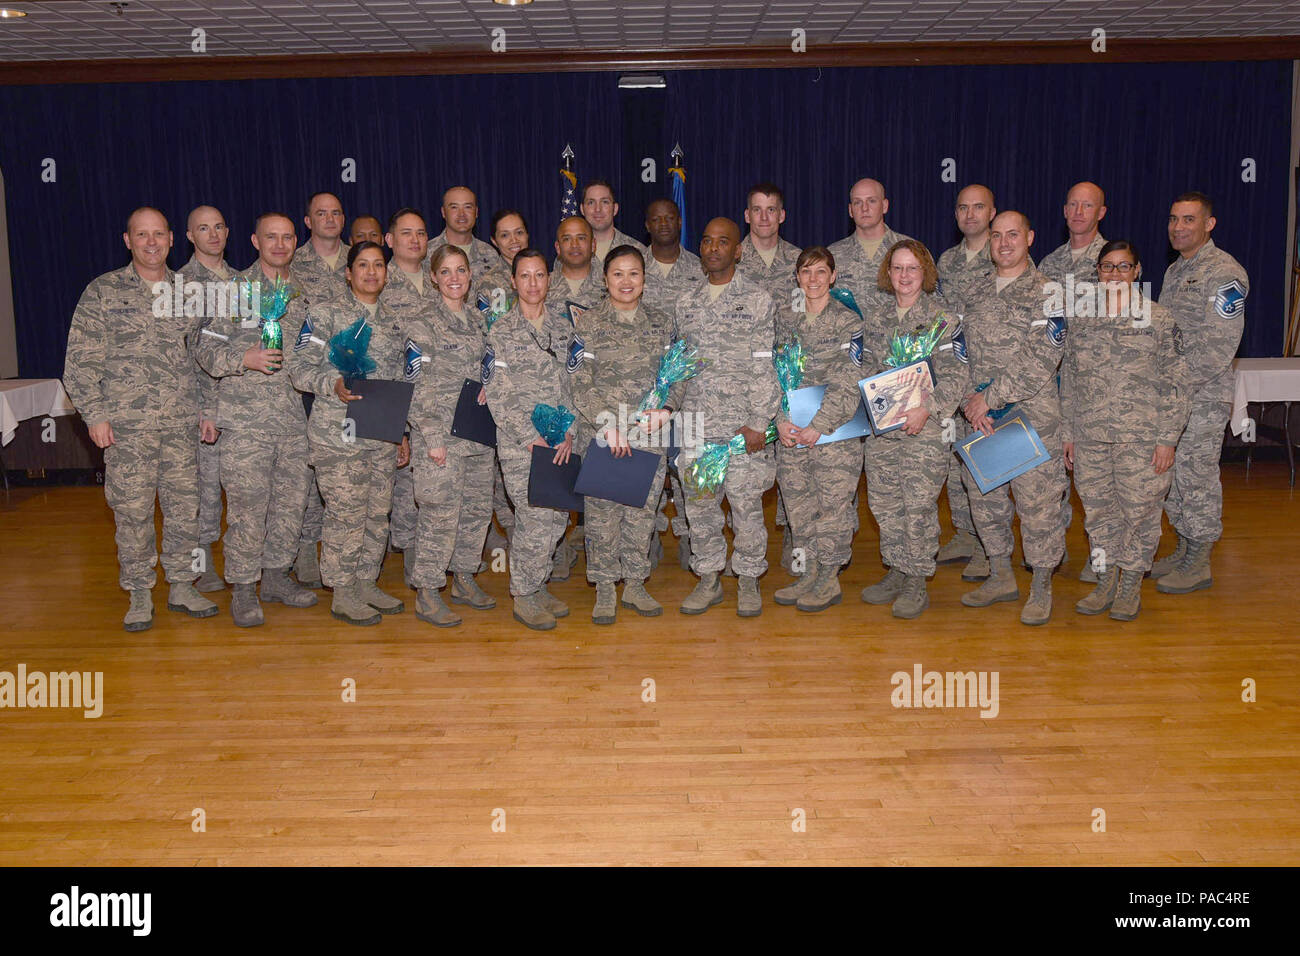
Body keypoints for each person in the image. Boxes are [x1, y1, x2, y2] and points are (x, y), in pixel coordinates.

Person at [62, 207, 217, 630]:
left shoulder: (189, 293)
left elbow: (202, 357)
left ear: (171, 239)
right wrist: (94, 415)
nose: (151, 243)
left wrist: (208, 410)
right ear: (127, 240)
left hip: (182, 425)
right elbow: (79, 363)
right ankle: (139, 591)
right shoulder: (103, 292)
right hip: (127, 430)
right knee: (132, 512)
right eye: (141, 235)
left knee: (185, 509)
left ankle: (183, 585)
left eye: (158, 235)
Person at [193, 212, 317, 626]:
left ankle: (276, 577)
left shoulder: (303, 293)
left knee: (290, 503)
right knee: (248, 507)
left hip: (293, 418)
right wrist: (241, 358)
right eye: (271, 237)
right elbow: (204, 349)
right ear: (254, 240)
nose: (280, 245)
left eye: (286, 238)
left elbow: (311, 348)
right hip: (246, 422)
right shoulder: (232, 290)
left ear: (295, 241)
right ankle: (244, 588)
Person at [287, 241, 411, 626]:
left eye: (378, 265)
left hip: (382, 433)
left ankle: (365, 581)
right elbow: (297, 366)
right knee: (346, 512)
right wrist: (332, 383)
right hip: (338, 431)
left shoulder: (394, 320)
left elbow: (400, 380)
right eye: (362, 265)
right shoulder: (324, 315)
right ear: (348, 272)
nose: (371, 272)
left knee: (378, 512)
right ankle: (342, 591)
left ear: (386, 273)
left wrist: (401, 432)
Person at [1062, 240, 1187, 620]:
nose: (1114, 274)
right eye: (1107, 267)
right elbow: (1069, 379)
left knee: (1141, 514)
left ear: (1137, 271)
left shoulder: (1159, 319)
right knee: (1098, 515)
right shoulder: (1081, 320)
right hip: (1091, 436)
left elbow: (1177, 384)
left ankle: (1130, 583)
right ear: (1097, 272)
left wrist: (1168, 439)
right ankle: (1105, 580)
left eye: (1123, 267)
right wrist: (1068, 432)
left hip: (1142, 438)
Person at [958, 211, 1068, 626]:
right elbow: (960, 350)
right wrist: (971, 400)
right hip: (980, 416)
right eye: (997, 236)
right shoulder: (975, 290)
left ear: (1030, 237)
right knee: (984, 499)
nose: (1004, 243)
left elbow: (1042, 357)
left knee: (1037, 505)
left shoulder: (1049, 293)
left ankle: (1041, 585)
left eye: (1013, 235)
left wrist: (989, 397)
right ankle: (1001, 574)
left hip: (1031, 417)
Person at [674, 218, 780, 617]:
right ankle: (709, 578)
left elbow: (764, 366)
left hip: (742, 429)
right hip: (697, 427)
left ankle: (749, 578)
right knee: (700, 507)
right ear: (699, 249)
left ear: (739, 250)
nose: (714, 248)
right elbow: (680, 366)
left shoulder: (757, 299)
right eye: (706, 241)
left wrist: (759, 421)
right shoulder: (686, 303)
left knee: (746, 508)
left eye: (724, 242)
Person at [857, 241, 968, 618]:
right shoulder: (874, 319)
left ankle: (917, 579)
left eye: (912, 269)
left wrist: (929, 408)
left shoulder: (944, 319)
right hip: (883, 431)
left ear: (926, 274)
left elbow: (956, 374)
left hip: (924, 429)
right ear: (888, 274)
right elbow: (866, 370)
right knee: (884, 504)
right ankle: (897, 568)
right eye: (898, 269)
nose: (904, 276)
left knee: (917, 505)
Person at [571, 245, 679, 623]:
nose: (626, 281)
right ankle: (603, 586)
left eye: (634, 273)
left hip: (649, 435)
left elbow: (676, 376)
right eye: (618, 273)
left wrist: (666, 411)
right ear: (605, 279)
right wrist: (607, 425)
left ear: (645, 280)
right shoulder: (586, 324)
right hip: (604, 435)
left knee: (640, 513)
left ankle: (634, 583)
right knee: (601, 517)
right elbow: (578, 382)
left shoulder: (662, 323)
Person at [1151, 191, 1248, 594]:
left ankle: (1200, 558)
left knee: (1196, 473)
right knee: (1171, 474)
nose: (1178, 227)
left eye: (1189, 220)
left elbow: (1219, 346)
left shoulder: (1225, 273)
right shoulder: (1176, 270)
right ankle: (1185, 545)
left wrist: (1176, 384)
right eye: (1174, 219)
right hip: (1173, 395)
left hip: (1203, 395)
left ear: (1209, 224)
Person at [482, 249, 577, 630]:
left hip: (561, 440)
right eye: (525, 276)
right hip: (522, 445)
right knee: (535, 518)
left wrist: (569, 431)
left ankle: (537, 585)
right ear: (513, 281)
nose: (533, 283)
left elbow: (573, 384)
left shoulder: (565, 328)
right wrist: (529, 437)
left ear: (548, 280)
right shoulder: (501, 332)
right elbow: (496, 391)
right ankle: (522, 593)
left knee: (555, 519)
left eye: (540, 275)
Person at [406, 245, 496, 627]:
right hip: (440, 436)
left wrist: (493, 384)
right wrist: (431, 435)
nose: (455, 278)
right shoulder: (421, 323)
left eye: (461, 270)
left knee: (475, 514)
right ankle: (427, 592)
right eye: (446, 271)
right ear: (433, 277)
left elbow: (492, 365)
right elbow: (413, 384)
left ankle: (463, 578)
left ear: (470, 274)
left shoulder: (480, 320)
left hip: (477, 435)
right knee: (440, 516)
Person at [770, 246, 864, 612]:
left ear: (833, 276)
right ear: (797, 277)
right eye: (806, 272)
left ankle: (829, 577)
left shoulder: (848, 323)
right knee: (798, 506)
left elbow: (849, 379)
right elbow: (772, 375)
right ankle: (807, 573)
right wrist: (780, 419)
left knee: (833, 507)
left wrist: (819, 426)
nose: (813, 279)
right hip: (791, 432)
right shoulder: (784, 319)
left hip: (833, 435)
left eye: (821, 271)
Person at [1038, 181, 1109, 581]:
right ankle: (1052, 552)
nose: (1080, 212)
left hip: (1094, 388)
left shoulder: (1114, 260)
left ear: (1101, 212)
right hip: (1052, 383)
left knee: (1095, 478)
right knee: (1053, 477)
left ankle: (1102, 557)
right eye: (1073, 205)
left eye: (1089, 206)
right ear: (1065, 211)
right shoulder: (1049, 264)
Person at [934, 185, 996, 577]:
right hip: (952, 377)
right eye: (963, 208)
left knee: (985, 468)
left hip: (988, 382)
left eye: (978, 207)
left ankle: (990, 548)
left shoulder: (1005, 253)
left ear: (992, 212)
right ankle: (965, 534)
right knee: (955, 462)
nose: (970, 214)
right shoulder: (947, 260)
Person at [291, 191, 350, 589]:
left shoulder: (360, 260)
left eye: (336, 213)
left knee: (347, 484)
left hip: (351, 391)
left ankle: (348, 564)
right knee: (307, 480)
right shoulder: (291, 264)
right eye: (320, 213)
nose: (329, 219)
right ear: (308, 221)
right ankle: (305, 552)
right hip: (302, 387)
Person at [641, 197, 702, 569]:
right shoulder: (634, 266)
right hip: (643, 387)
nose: (664, 223)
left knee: (686, 466)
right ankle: (645, 536)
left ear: (680, 221)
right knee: (645, 467)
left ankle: (688, 534)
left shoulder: (699, 268)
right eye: (656, 218)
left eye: (670, 217)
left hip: (689, 389)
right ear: (646, 224)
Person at [380, 208, 436, 581]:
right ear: (390, 240)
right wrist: (396, 422)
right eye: (406, 233)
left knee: (430, 480)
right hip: (398, 396)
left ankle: (434, 552)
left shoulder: (440, 280)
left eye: (420, 233)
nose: (415, 240)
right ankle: (411, 552)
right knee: (402, 482)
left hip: (438, 400)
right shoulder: (379, 283)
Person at [181, 204, 234, 592]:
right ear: (189, 236)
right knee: (204, 497)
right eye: (203, 228)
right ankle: (201, 567)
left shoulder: (241, 281)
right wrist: (204, 409)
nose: (212, 235)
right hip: (201, 407)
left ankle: (242, 564)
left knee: (242, 494)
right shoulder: (180, 285)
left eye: (218, 227)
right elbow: (185, 356)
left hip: (240, 405)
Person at [828, 178, 914, 319]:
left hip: (898, 339)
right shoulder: (832, 255)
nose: (864, 208)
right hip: (848, 339)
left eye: (872, 201)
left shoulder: (911, 250)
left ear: (885, 206)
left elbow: (932, 304)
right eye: (857, 202)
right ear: (850, 210)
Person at [738, 183, 801, 306]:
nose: (764, 218)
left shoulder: (799, 260)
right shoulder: (731, 261)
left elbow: (801, 311)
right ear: (747, 216)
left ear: (781, 216)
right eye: (757, 210)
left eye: (771, 210)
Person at [427, 186, 499, 280]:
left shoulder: (490, 254)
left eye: (468, 207)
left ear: (476, 212)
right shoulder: (427, 254)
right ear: (443, 212)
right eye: (454, 207)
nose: (461, 214)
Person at [581, 179, 647, 269]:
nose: (598, 209)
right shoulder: (572, 252)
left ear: (615, 209)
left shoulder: (638, 251)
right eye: (591, 202)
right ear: (582, 209)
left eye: (605, 202)